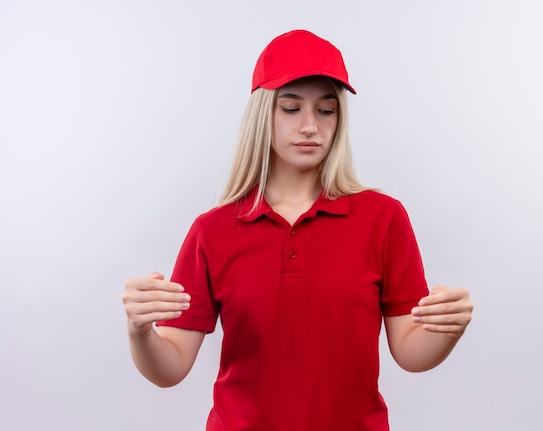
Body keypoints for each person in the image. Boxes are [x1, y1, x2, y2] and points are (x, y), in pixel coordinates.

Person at [122, 29, 473, 431]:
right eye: (291, 108)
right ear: (263, 114)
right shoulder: (212, 231)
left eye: (326, 111)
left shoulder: (384, 218)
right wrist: (140, 331)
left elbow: (411, 353)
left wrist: (448, 327)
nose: (310, 126)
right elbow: (171, 368)